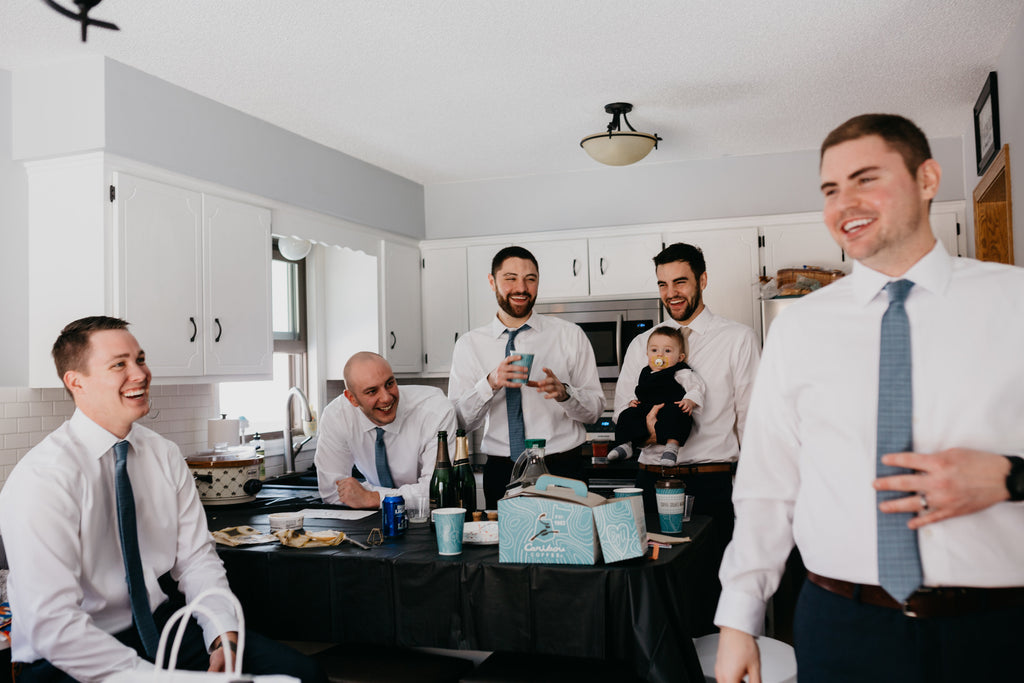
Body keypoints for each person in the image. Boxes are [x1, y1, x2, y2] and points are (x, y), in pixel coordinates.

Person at [714, 114, 1024, 683]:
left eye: (865, 179)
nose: (844, 203)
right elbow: (767, 489)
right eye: (830, 189)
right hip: (841, 626)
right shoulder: (798, 328)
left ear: (927, 179)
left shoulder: (1016, 303)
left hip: (1001, 627)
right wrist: (739, 619)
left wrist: (1012, 478)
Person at [0, 316, 323, 683]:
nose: (139, 373)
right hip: (67, 653)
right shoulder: (42, 478)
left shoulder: (165, 455)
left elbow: (197, 561)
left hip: (159, 630)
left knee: (300, 674)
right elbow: (54, 626)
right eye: (119, 364)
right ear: (77, 382)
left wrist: (222, 635)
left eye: (139, 359)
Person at [449, 246, 604, 509]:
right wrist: (490, 383)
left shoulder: (570, 335)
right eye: (510, 278)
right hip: (502, 470)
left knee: (569, 547)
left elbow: (594, 413)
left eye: (530, 279)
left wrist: (566, 394)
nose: (521, 288)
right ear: (492, 281)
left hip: (563, 467)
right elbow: (460, 423)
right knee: (505, 549)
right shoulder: (469, 344)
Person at [315, 351, 457, 509]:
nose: (387, 398)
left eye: (390, 384)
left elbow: (438, 490)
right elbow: (332, 493)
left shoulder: (436, 411)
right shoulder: (337, 416)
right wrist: (403, 497)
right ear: (352, 399)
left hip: (430, 517)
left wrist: (373, 497)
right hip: (373, 520)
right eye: (372, 391)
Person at [608, 326, 706, 466]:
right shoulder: (643, 373)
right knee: (627, 415)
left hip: (670, 406)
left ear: (680, 357)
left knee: (679, 415)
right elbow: (635, 390)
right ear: (647, 354)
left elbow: (696, 386)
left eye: (667, 351)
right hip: (646, 408)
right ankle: (626, 444)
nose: (660, 355)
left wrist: (690, 400)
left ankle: (672, 448)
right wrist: (632, 401)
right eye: (654, 350)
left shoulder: (680, 371)